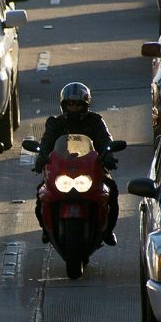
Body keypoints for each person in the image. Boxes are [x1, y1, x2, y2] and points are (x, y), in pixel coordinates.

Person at [33, 82, 119, 245]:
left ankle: (108, 231)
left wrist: (108, 154)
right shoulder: (55, 123)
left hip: (91, 169)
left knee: (112, 189)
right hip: (62, 170)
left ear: (85, 104)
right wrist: (41, 157)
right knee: (41, 193)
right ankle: (47, 230)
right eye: (70, 104)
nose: (73, 107)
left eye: (78, 104)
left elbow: (105, 139)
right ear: (63, 105)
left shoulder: (96, 121)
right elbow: (46, 142)